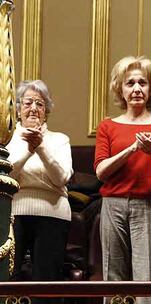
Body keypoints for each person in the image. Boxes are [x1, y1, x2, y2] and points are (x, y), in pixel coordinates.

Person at [94, 56, 151, 304]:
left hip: (149, 206)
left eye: (142, 82)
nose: (136, 89)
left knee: (148, 280)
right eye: (129, 83)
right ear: (120, 89)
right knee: (113, 279)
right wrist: (132, 149)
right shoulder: (108, 126)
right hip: (113, 205)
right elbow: (101, 171)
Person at [8, 80, 73, 304]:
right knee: (7, 281)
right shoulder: (5, 140)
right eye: (28, 103)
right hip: (11, 214)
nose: (34, 108)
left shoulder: (59, 140)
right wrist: (29, 149)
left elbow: (61, 178)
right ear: (17, 109)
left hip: (53, 214)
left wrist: (41, 147)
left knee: (45, 287)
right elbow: (6, 177)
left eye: (40, 104)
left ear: (47, 111)